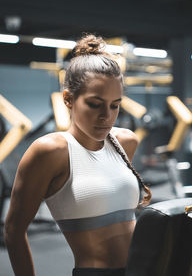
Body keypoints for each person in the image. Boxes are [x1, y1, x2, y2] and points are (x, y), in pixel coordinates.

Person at [4, 34, 152, 276]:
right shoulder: (50, 151)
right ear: (68, 99)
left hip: (145, 270)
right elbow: (13, 229)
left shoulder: (126, 141)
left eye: (115, 105)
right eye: (95, 104)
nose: (107, 116)